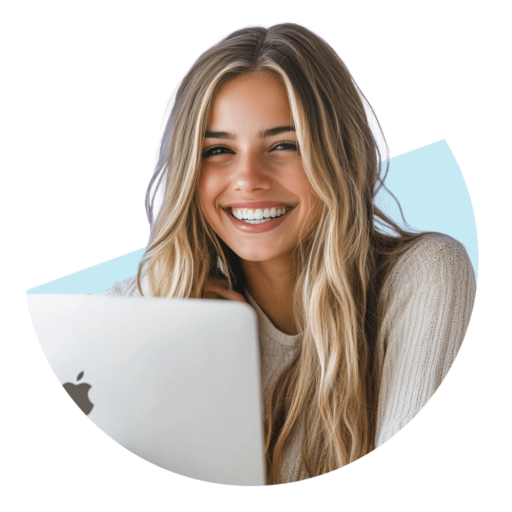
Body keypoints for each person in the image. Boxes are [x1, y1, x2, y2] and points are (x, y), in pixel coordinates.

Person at [107, 23, 477, 485]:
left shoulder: (426, 276)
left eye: (284, 145)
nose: (248, 178)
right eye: (218, 150)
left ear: (338, 154)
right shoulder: (136, 309)